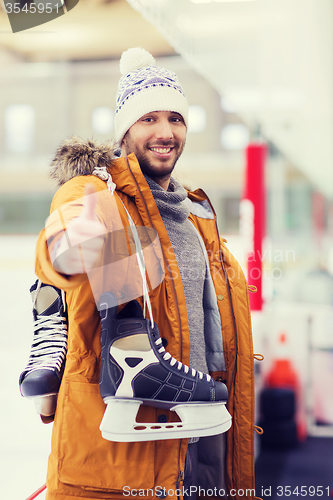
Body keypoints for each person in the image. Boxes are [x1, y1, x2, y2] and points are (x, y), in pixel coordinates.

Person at [33, 48, 256, 500]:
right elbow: (63, 243)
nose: (165, 132)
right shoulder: (97, 193)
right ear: (124, 130)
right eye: (148, 119)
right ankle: (133, 357)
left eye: (175, 119)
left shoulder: (197, 219)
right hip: (123, 452)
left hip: (204, 425)